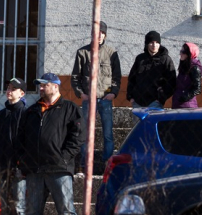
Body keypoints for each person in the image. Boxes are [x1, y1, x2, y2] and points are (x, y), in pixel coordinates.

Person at [17, 72, 82, 215]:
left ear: (55, 86)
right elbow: (22, 138)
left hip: (59, 169)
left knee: (66, 210)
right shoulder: (32, 111)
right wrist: (24, 161)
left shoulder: (69, 108)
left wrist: (63, 157)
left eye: (44, 85)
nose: (40, 88)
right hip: (35, 170)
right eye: (40, 86)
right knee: (32, 211)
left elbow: (77, 137)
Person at [70, 21, 120, 169]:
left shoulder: (111, 53)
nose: (99, 36)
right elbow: (75, 77)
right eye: (96, 32)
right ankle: (85, 163)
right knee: (85, 133)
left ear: (105, 35)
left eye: (102, 33)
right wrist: (81, 94)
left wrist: (113, 94)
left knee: (107, 133)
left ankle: (108, 162)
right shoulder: (82, 53)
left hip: (105, 99)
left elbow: (117, 77)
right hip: (88, 100)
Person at [0, 77, 27, 215]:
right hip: (2, 167)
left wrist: (22, 163)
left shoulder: (25, 114)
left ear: (22, 93)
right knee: (3, 206)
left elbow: (28, 142)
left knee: (19, 206)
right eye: (8, 88)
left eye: (13, 88)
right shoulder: (1, 115)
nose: (9, 91)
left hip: (18, 168)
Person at [127, 31, 175, 109]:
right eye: (151, 42)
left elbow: (171, 82)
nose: (154, 45)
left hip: (155, 102)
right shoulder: (140, 59)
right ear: (147, 44)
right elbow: (132, 78)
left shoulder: (166, 60)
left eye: (157, 42)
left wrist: (161, 98)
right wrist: (131, 96)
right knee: (137, 122)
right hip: (137, 102)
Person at [164, 42, 202, 109]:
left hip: (188, 107)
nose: (180, 54)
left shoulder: (194, 67)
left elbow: (197, 88)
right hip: (178, 105)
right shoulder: (184, 67)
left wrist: (184, 97)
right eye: (180, 51)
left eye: (183, 51)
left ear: (190, 53)